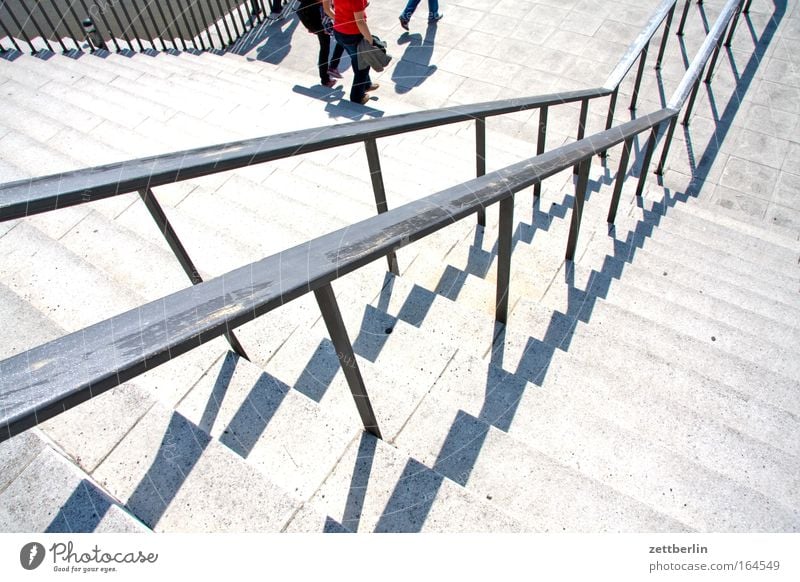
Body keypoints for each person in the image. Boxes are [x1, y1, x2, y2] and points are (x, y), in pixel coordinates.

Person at [324, 0, 380, 105]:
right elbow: (360, 22)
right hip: (353, 34)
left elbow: (326, 8)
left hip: (339, 32)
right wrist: (370, 40)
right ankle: (357, 97)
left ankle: (366, 85)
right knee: (363, 65)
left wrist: (340, 21)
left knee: (356, 60)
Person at [297, 0, 345, 87]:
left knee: (325, 48)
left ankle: (327, 77)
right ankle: (330, 72)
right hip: (322, 22)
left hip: (314, 21)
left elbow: (301, 8)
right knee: (342, 39)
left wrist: (310, 27)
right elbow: (327, 9)